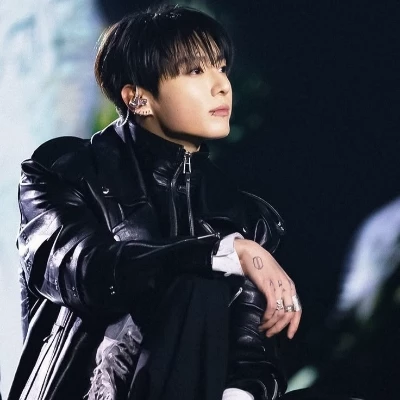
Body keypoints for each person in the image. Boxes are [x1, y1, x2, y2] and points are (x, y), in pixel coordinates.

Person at [8, 5, 304, 400]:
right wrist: (218, 253)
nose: (221, 86)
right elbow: (85, 272)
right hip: (87, 389)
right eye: (195, 71)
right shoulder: (66, 171)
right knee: (197, 286)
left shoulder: (247, 218)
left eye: (221, 68)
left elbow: (251, 355)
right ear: (139, 99)